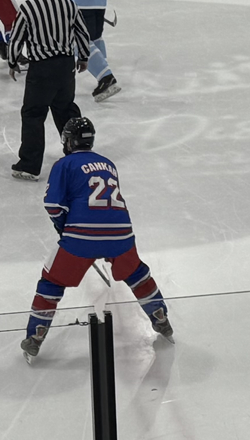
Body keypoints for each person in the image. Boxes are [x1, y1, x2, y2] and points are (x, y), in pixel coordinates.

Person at [20, 116, 173, 364]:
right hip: (121, 232)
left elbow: (53, 205)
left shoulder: (64, 164)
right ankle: (161, 318)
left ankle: (35, 336)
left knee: (52, 281)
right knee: (137, 273)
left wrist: (64, 229)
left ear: (68, 141)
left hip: (82, 235)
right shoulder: (108, 163)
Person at [6, 0, 89, 181]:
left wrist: (13, 61)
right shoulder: (69, 4)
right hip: (65, 67)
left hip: (41, 69)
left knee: (33, 114)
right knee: (66, 111)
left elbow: (16, 39)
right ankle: (78, 156)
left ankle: (29, 165)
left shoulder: (28, 8)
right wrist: (83, 57)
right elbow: (82, 31)